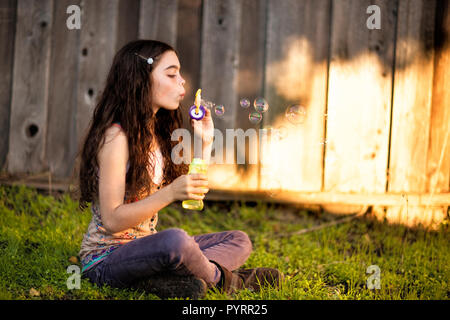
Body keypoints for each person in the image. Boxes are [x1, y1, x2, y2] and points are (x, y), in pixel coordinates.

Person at [75, 39, 282, 299]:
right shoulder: (116, 138)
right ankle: (229, 281)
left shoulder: (154, 133)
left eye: (180, 74)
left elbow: (194, 195)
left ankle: (160, 279)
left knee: (238, 240)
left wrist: (206, 143)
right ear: (140, 80)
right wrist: (170, 193)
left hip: (145, 248)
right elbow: (113, 221)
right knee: (175, 241)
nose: (182, 81)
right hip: (106, 259)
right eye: (172, 74)